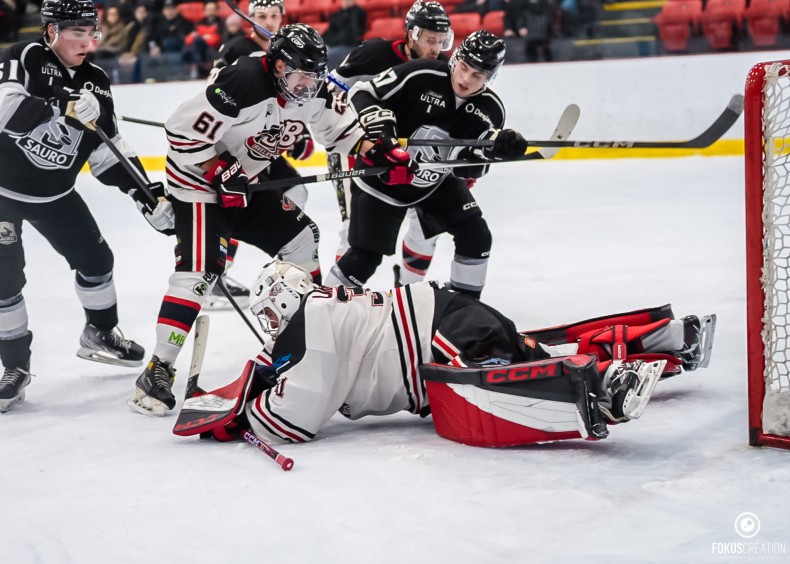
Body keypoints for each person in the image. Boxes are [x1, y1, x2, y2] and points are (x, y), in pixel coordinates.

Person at [173, 260, 717, 447]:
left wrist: (240, 411)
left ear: (285, 301)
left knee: (507, 383)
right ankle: (665, 342)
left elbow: (291, 422)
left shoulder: (311, 322)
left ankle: (608, 383)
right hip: (444, 317)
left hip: (438, 337)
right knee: (529, 347)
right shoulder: (322, 312)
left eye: (270, 314)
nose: (268, 327)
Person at [128, 24, 369, 417]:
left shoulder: (313, 89)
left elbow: (346, 135)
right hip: (198, 186)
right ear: (277, 66)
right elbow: (180, 133)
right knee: (201, 270)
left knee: (302, 239)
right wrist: (219, 170)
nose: (308, 86)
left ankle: (309, 343)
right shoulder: (242, 81)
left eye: (314, 76)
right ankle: (158, 369)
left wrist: (380, 153)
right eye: (300, 76)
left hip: (246, 183)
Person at [0, 0, 175, 413]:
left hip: (55, 194)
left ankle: (100, 333)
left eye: (90, 32)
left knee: (97, 261)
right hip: (3, 192)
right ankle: (15, 368)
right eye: (75, 32)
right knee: (4, 284)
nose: (86, 41)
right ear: (51, 31)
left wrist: (145, 194)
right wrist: (63, 106)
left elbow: (107, 151)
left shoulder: (96, 81)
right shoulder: (24, 57)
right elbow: (4, 109)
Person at [324, 30, 528, 299]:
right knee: (365, 257)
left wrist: (493, 150)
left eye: (477, 75)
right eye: (464, 68)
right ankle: (317, 310)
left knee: (476, 237)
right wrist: (382, 130)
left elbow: (470, 170)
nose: (466, 80)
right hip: (383, 178)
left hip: (433, 183)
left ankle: (464, 313)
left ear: (491, 77)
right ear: (456, 57)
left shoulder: (491, 109)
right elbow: (363, 93)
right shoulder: (421, 73)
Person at [326, 0, 455, 284]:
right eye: (430, 40)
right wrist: (353, 130)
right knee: (354, 233)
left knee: (427, 229)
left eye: (441, 41)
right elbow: (329, 92)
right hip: (361, 153)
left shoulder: (445, 69)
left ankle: (408, 293)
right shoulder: (373, 53)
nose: (435, 48)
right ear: (411, 33)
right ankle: (336, 300)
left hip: (412, 160)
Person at [204, 0, 314, 310]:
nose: (268, 21)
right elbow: (213, 94)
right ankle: (215, 276)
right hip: (240, 146)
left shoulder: (292, 52)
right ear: (250, 19)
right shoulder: (237, 47)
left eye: (273, 16)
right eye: (262, 16)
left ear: (283, 17)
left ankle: (285, 273)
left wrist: (298, 133)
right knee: (239, 203)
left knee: (296, 191)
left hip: (265, 144)